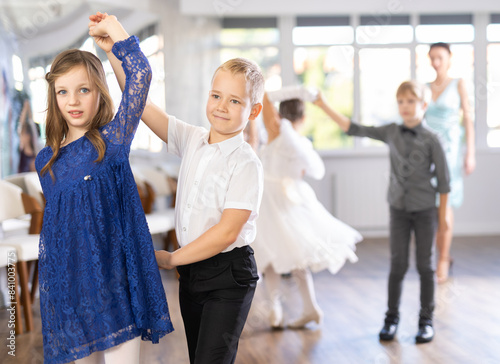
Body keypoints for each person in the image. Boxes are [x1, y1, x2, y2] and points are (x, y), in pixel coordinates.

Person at [91, 12, 265, 364]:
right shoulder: (192, 139)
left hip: (228, 274)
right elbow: (142, 103)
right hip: (193, 272)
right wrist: (114, 53)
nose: (222, 107)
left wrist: (171, 258)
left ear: (254, 110)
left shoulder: (246, 163)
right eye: (217, 95)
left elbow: (226, 231)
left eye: (235, 101)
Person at [36, 15, 174, 364]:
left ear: (100, 93)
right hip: (72, 295)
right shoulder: (45, 162)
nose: (74, 100)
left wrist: (115, 31)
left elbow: (140, 77)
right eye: (63, 91)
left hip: (117, 287)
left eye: (84, 89)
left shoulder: (111, 142)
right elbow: (57, 234)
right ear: (54, 97)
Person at [316, 81, 450, 344]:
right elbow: (354, 128)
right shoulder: (391, 132)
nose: (405, 107)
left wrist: (442, 220)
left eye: (411, 101)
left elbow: (444, 184)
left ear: (423, 105)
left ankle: (426, 322)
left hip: (424, 210)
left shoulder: (433, 140)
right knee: (397, 266)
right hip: (398, 209)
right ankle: (391, 320)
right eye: (401, 102)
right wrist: (323, 105)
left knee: (425, 266)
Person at [252, 86, 361, 329]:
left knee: (272, 255)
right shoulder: (294, 137)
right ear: (304, 118)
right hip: (284, 199)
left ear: (280, 114)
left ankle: (278, 310)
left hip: (275, 199)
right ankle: (306, 308)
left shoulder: (279, 130)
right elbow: (316, 170)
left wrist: (301, 91)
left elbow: (266, 96)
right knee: (292, 255)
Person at [426, 42, 476, 283]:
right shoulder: (425, 88)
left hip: (451, 155)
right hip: (427, 156)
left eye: (440, 57)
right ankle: (442, 253)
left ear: (449, 58)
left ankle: (443, 259)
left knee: (445, 209)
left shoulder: (459, 84)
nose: (436, 62)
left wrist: (471, 152)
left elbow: (468, 119)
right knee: (434, 210)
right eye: (432, 57)